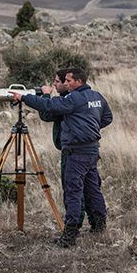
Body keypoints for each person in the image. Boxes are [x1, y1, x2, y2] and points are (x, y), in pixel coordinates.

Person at [10, 67, 113, 247]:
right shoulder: (97, 96)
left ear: (79, 81)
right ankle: (99, 225)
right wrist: (89, 129)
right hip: (92, 150)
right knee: (92, 188)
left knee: (73, 191)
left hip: (76, 151)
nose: (65, 84)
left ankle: (70, 235)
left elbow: (49, 106)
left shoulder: (74, 98)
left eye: (68, 80)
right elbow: (107, 118)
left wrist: (24, 98)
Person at [38, 68, 86, 230]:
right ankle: (91, 221)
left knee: (72, 188)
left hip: (72, 149)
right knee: (85, 187)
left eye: (58, 82)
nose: (55, 84)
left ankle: (74, 226)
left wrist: (44, 96)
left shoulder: (67, 102)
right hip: (83, 148)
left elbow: (46, 115)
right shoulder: (83, 96)